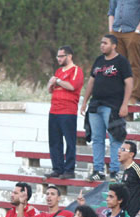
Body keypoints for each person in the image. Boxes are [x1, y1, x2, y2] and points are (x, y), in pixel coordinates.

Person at [82, 34, 133, 181]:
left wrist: (125, 104)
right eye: (101, 43)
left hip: (112, 107)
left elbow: (129, 83)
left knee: (115, 139)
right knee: (97, 139)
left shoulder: (121, 61)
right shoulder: (99, 60)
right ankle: (98, 170)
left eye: (105, 43)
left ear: (114, 45)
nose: (102, 45)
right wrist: (85, 101)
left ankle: (115, 171)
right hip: (95, 106)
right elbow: (91, 81)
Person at [47, 45, 84, 179]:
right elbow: (50, 89)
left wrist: (57, 81)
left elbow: (72, 86)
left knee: (69, 141)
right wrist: (51, 83)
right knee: (54, 141)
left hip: (68, 111)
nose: (59, 59)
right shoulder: (58, 71)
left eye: (61, 56)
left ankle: (69, 169)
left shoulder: (76, 70)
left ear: (69, 56)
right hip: (54, 110)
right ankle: (57, 168)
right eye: (57, 56)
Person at [108, 0, 140, 104]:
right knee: (117, 65)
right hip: (116, 31)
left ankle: (134, 96)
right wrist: (111, 30)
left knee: (133, 64)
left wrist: (138, 30)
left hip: (133, 32)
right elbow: (111, 11)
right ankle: (118, 95)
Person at [119, 142, 140, 217]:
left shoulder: (137, 168)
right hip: (126, 214)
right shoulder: (125, 171)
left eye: (123, 150)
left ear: (131, 154)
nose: (119, 152)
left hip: (136, 214)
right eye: (119, 149)